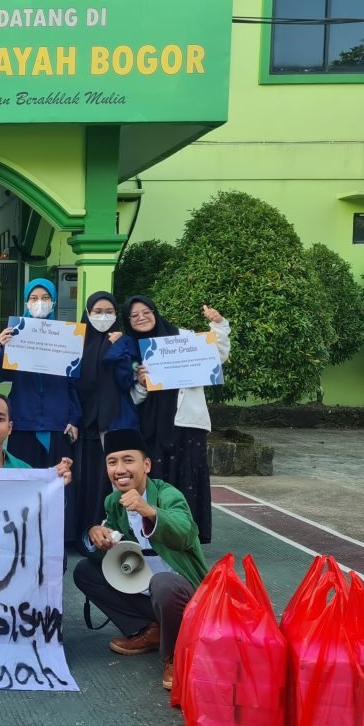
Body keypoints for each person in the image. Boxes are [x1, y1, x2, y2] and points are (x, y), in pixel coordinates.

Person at [72, 427, 209, 690]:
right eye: (112, 462)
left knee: (163, 584)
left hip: (183, 592)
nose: (120, 469)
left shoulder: (168, 494)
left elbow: (186, 532)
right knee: (85, 572)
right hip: (146, 590)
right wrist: (95, 536)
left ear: (146, 465)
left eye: (128, 460)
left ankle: (174, 656)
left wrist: (150, 512)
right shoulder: (113, 501)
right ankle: (150, 630)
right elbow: (108, 552)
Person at [117, 296, 231, 544]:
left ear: (155, 312)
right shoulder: (131, 349)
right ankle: (151, 535)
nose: (141, 318)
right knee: (155, 480)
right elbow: (135, 399)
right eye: (134, 316)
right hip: (150, 429)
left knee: (187, 480)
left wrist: (219, 324)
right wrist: (140, 383)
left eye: (145, 312)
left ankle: (186, 538)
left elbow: (217, 355)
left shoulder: (182, 337)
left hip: (187, 424)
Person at [72, 292, 139, 548]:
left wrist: (119, 349)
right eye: (97, 311)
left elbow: (128, 381)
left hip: (115, 423)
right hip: (84, 424)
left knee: (112, 481)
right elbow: (73, 382)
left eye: (109, 311)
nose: (103, 316)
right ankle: (84, 534)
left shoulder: (126, 343)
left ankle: (117, 534)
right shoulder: (76, 343)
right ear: (88, 314)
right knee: (85, 481)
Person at [0, 278, 81, 468]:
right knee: (25, 479)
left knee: (57, 482)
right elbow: (5, 375)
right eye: (33, 298)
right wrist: (2, 347)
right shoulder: (16, 334)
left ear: (54, 302)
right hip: (23, 419)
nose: (39, 303)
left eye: (45, 297)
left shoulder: (66, 337)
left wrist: (74, 419)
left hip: (57, 422)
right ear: (26, 303)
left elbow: (72, 382)